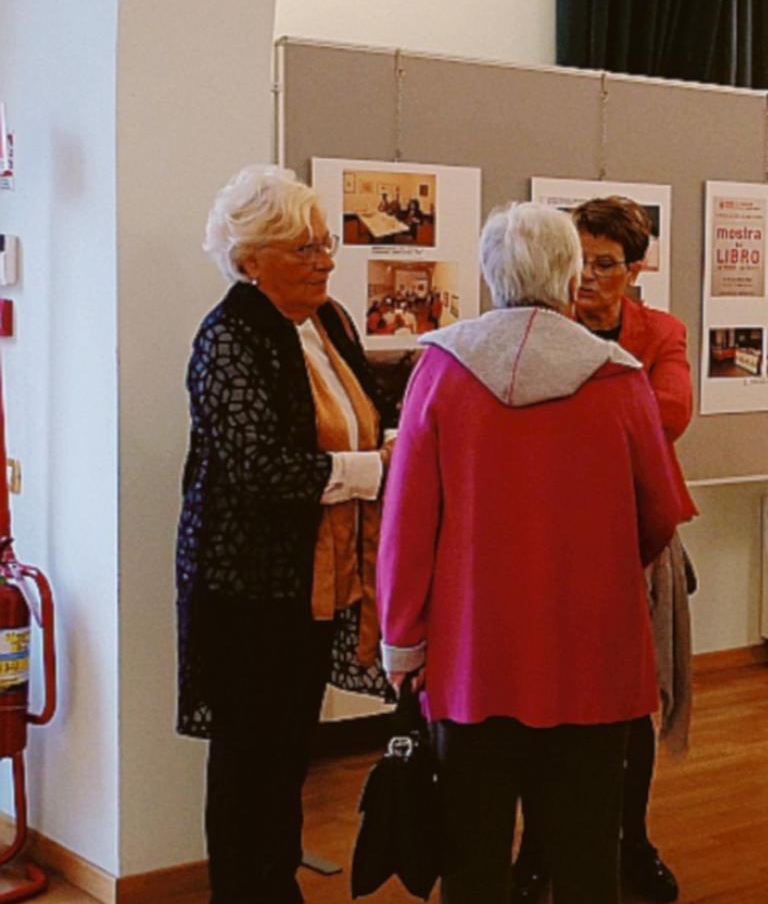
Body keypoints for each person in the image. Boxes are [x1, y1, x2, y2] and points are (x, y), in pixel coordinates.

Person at [377, 202, 687, 903]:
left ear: (490, 274)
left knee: (474, 864)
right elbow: (661, 512)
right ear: (572, 273)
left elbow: (408, 522)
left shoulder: (441, 370)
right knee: (586, 863)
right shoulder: (617, 377)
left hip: (471, 661)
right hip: (593, 657)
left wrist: (403, 642)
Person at [177, 164, 395, 903]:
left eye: (326, 243)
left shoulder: (326, 322)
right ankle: (247, 891)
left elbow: (370, 403)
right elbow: (260, 468)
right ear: (250, 260)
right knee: (248, 761)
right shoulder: (229, 338)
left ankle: (274, 885)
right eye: (304, 249)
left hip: (312, 580)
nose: (325, 259)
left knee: (287, 752)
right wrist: (375, 470)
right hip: (249, 585)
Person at [506, 196, 696, 904]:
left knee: (629, 703)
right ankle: (538, 848)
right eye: (578, 260)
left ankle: (631, 840)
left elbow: (671, 412)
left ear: (636, 269)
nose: (587, 277)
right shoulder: (539, 328)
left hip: (636, 539)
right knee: (541, 698)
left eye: (605, 264)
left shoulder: (661, 331)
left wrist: (592, 397)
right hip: (548, 534)